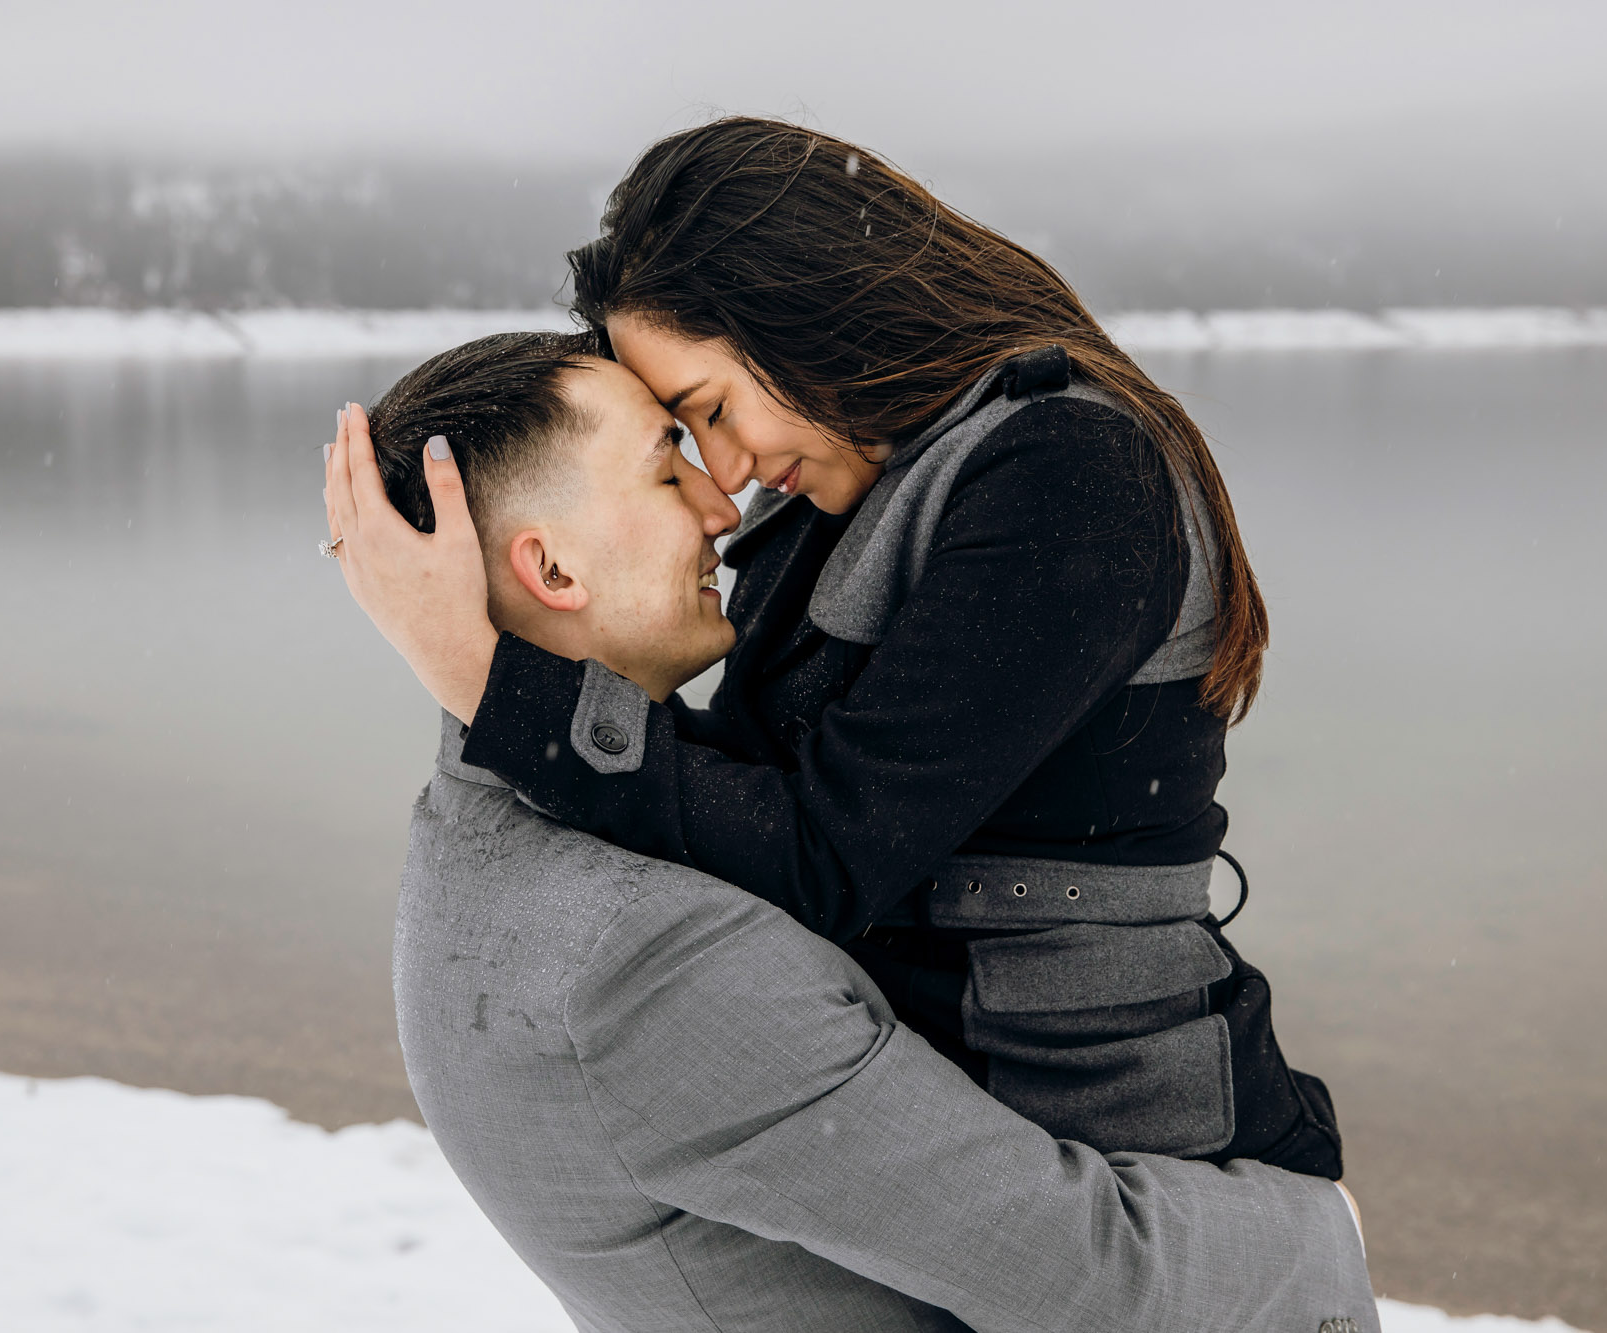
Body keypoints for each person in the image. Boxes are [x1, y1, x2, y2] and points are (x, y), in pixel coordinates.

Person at [326, 118, 1340, 1176]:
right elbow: (753, 784)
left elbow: (822, 854)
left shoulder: (1065, 469)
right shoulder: (841, 490)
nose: (726, 476)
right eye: (682, 439)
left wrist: (496, 684)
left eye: (711, 410)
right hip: (972, 1132)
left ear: (805, 317)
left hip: (1135, 1151)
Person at [330, 330, 1374, 1333]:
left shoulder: (478, 832)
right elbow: (1099, 1284)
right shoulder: (647, 961)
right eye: (666, 470)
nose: (720, 508)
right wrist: (1318, 1228)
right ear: (553, 571)